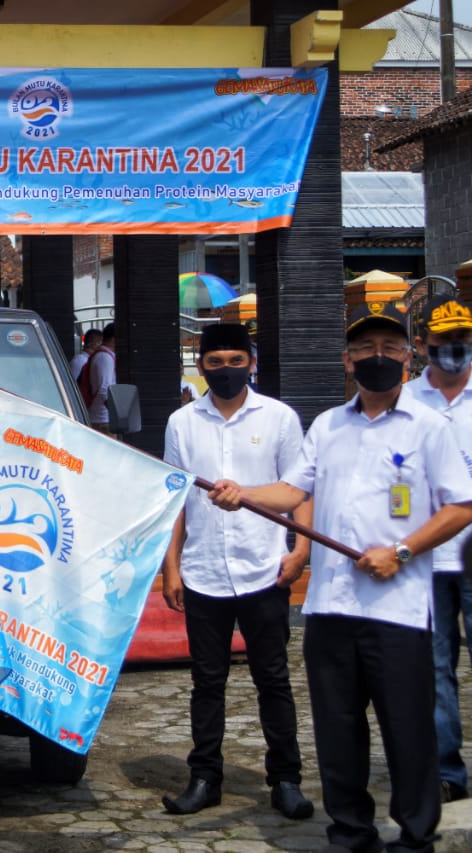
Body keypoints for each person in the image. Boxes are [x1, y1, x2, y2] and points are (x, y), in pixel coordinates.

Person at [209, 303, 472, 853]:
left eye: (389, 349)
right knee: (337, 728)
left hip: (397, 608)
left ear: (407, 357)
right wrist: (245, 493)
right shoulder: (328, 425)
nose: (377, 358)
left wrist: (400, 551)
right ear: (346, 360)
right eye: (365, 350)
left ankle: (415, 835)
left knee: (408, 729)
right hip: (329, 607)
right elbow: (292, 492)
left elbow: (461, 507)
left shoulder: (429, 428)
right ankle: (350, 831)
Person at [160, 323, 314, 820]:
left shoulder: (280, 419)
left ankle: (285, 780)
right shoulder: (182, 423)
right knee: (207, 682)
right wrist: (172, 568)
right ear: (200, 363)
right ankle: (205, 777)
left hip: (264, 570)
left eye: (235, 361)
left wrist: (301, 550)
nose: (225, 371)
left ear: (251, 361)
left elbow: (300, 489)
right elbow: (175, 501)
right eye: (214, 362)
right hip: (203, 571)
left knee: (273, 679)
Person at [407, 298, 472, 804]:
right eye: (442, 344)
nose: (452, 352)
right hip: (425, 554)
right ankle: (447, 769)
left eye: (462, 341)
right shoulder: (404, 402)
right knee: (434, 666)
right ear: (421, 346)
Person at [81, 323, 116, 430]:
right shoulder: (104, 357)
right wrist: (116, 413)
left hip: (102, 417)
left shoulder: (103, 355)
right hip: (103, 419)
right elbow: (104, 389)